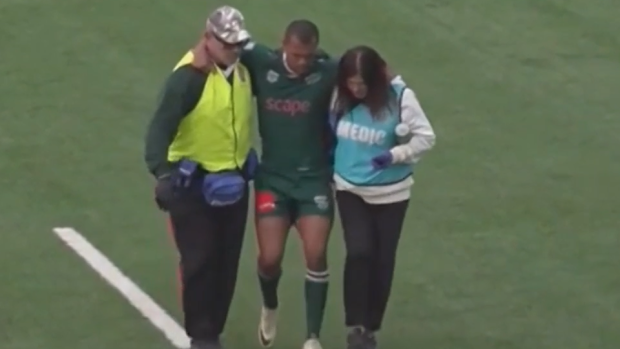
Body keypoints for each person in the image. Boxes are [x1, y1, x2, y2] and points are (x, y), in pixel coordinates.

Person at [143, 6, 257, 349]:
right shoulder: (187, 79)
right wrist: (163, 174)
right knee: (199, 260)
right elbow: (158, 131)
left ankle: (213, 328)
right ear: (208, 38)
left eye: (237, 43)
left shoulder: (244, 69)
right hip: (192, 186)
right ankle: (202, 334)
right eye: (225, 43)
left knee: (226, 261)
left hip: (233, 185)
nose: (233, 49)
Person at [329, 46, 436, 349]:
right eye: (351, 82)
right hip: (350, 188)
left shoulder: (401, 98)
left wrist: (395, 155)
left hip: (392, 193)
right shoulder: (340, 96)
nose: (356, 89)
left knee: (382, 259)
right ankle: (355, 324)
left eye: (362, 83)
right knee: (359, 251)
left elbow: (426, 137)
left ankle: (370, 328)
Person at [239, 20, 336, 349]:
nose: (302, 63)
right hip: (273, 181)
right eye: (296, 55)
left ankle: (312, 337)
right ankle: (270, 306)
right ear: (283, 46)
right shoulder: (261, 61)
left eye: (308, 56)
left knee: (316, 252)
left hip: (313, 181)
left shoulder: (327, 72)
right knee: (270, 258)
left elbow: (367, 67)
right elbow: (228, 38)